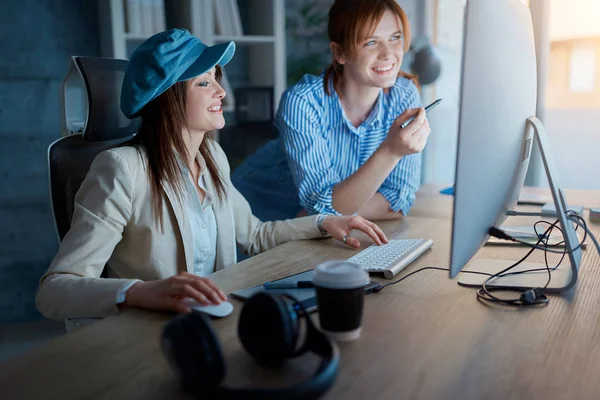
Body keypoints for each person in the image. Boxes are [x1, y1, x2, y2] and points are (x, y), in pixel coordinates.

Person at [36, 29, 388, 322]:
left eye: (216, 78)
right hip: (153, 335)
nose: (221, 91)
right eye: (204, 83)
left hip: (217, 320)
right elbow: (55, 290)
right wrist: (141, 292)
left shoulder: (212, 157)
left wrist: (325, 222)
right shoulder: (121, 169)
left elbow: (255, 234)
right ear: (168, 97)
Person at [231, 0, 431, 223]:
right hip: (254, 221)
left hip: (313, 233)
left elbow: (398, 202)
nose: (388, 54)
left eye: (395, 37)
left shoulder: (404, 96)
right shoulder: (303, 102)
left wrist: (316, 217)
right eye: (371, 42)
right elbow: (322, 209)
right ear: (340, 53)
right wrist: (391, 152)